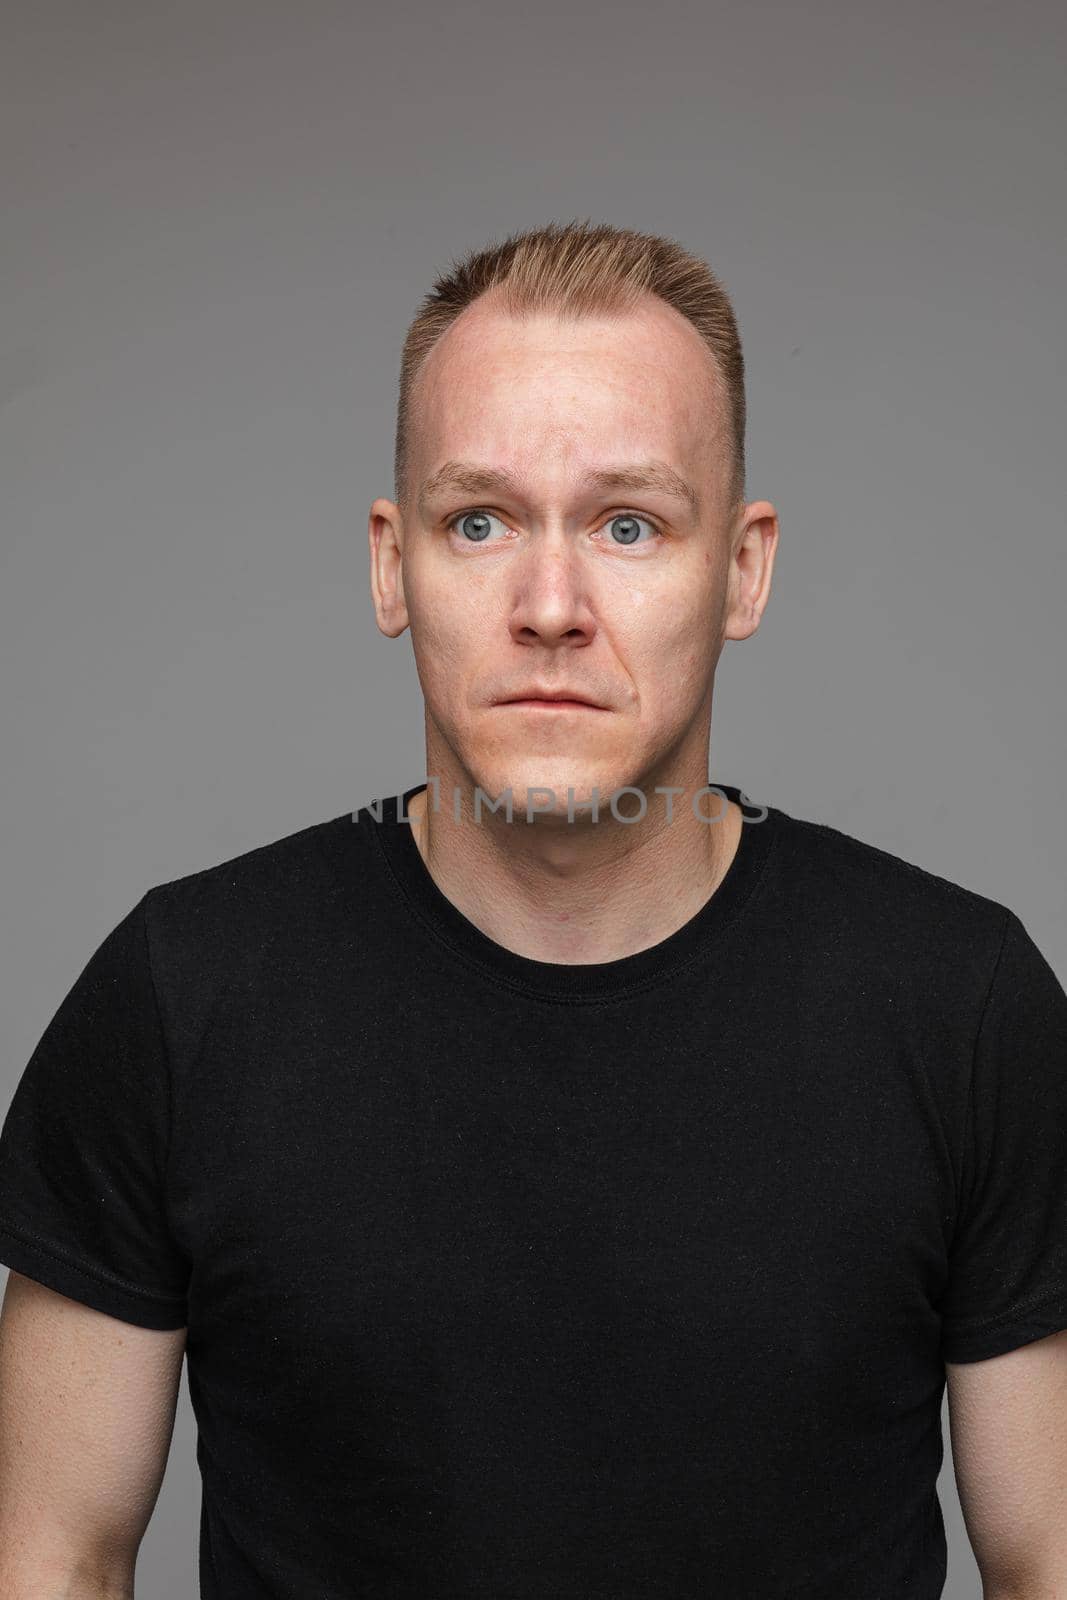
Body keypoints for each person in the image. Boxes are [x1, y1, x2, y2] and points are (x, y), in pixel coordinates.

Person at [0, 219, 1064, 1600]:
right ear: (394, 565)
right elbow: (53, 1559)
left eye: (629, 524)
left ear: (741, 569)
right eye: (480, 521)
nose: (550, 604)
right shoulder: (179, 997)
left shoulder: (963, 1008)